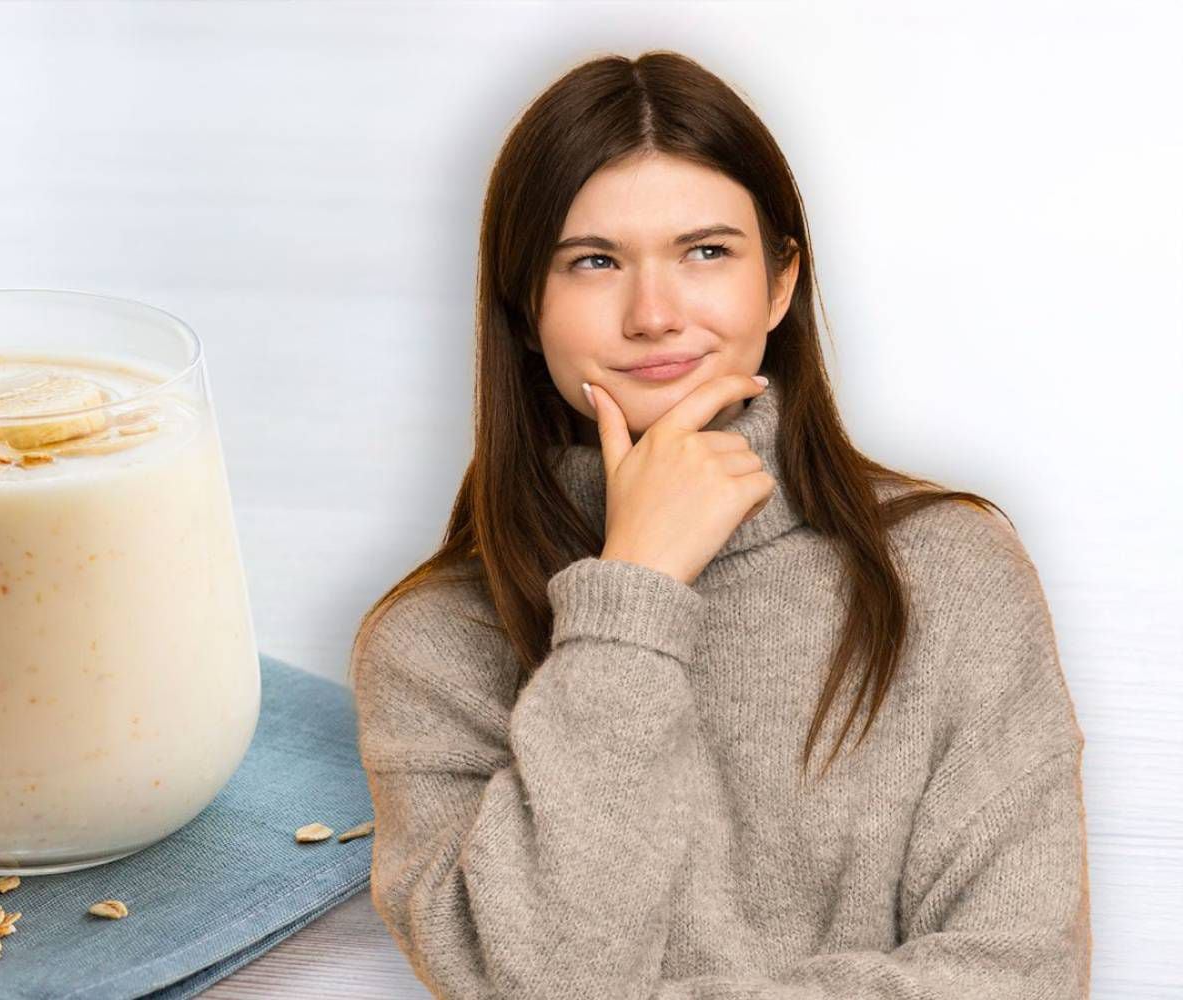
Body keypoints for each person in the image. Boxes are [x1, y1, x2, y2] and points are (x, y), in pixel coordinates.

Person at [348, 49, 1089, 999]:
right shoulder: (431, 649)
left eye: (707, 252)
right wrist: (635, 590)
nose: (654, 314)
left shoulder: (950, 569)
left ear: (780, 285)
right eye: (594, 262)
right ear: (525, 308)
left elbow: (1024, 975)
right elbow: (537, 980)